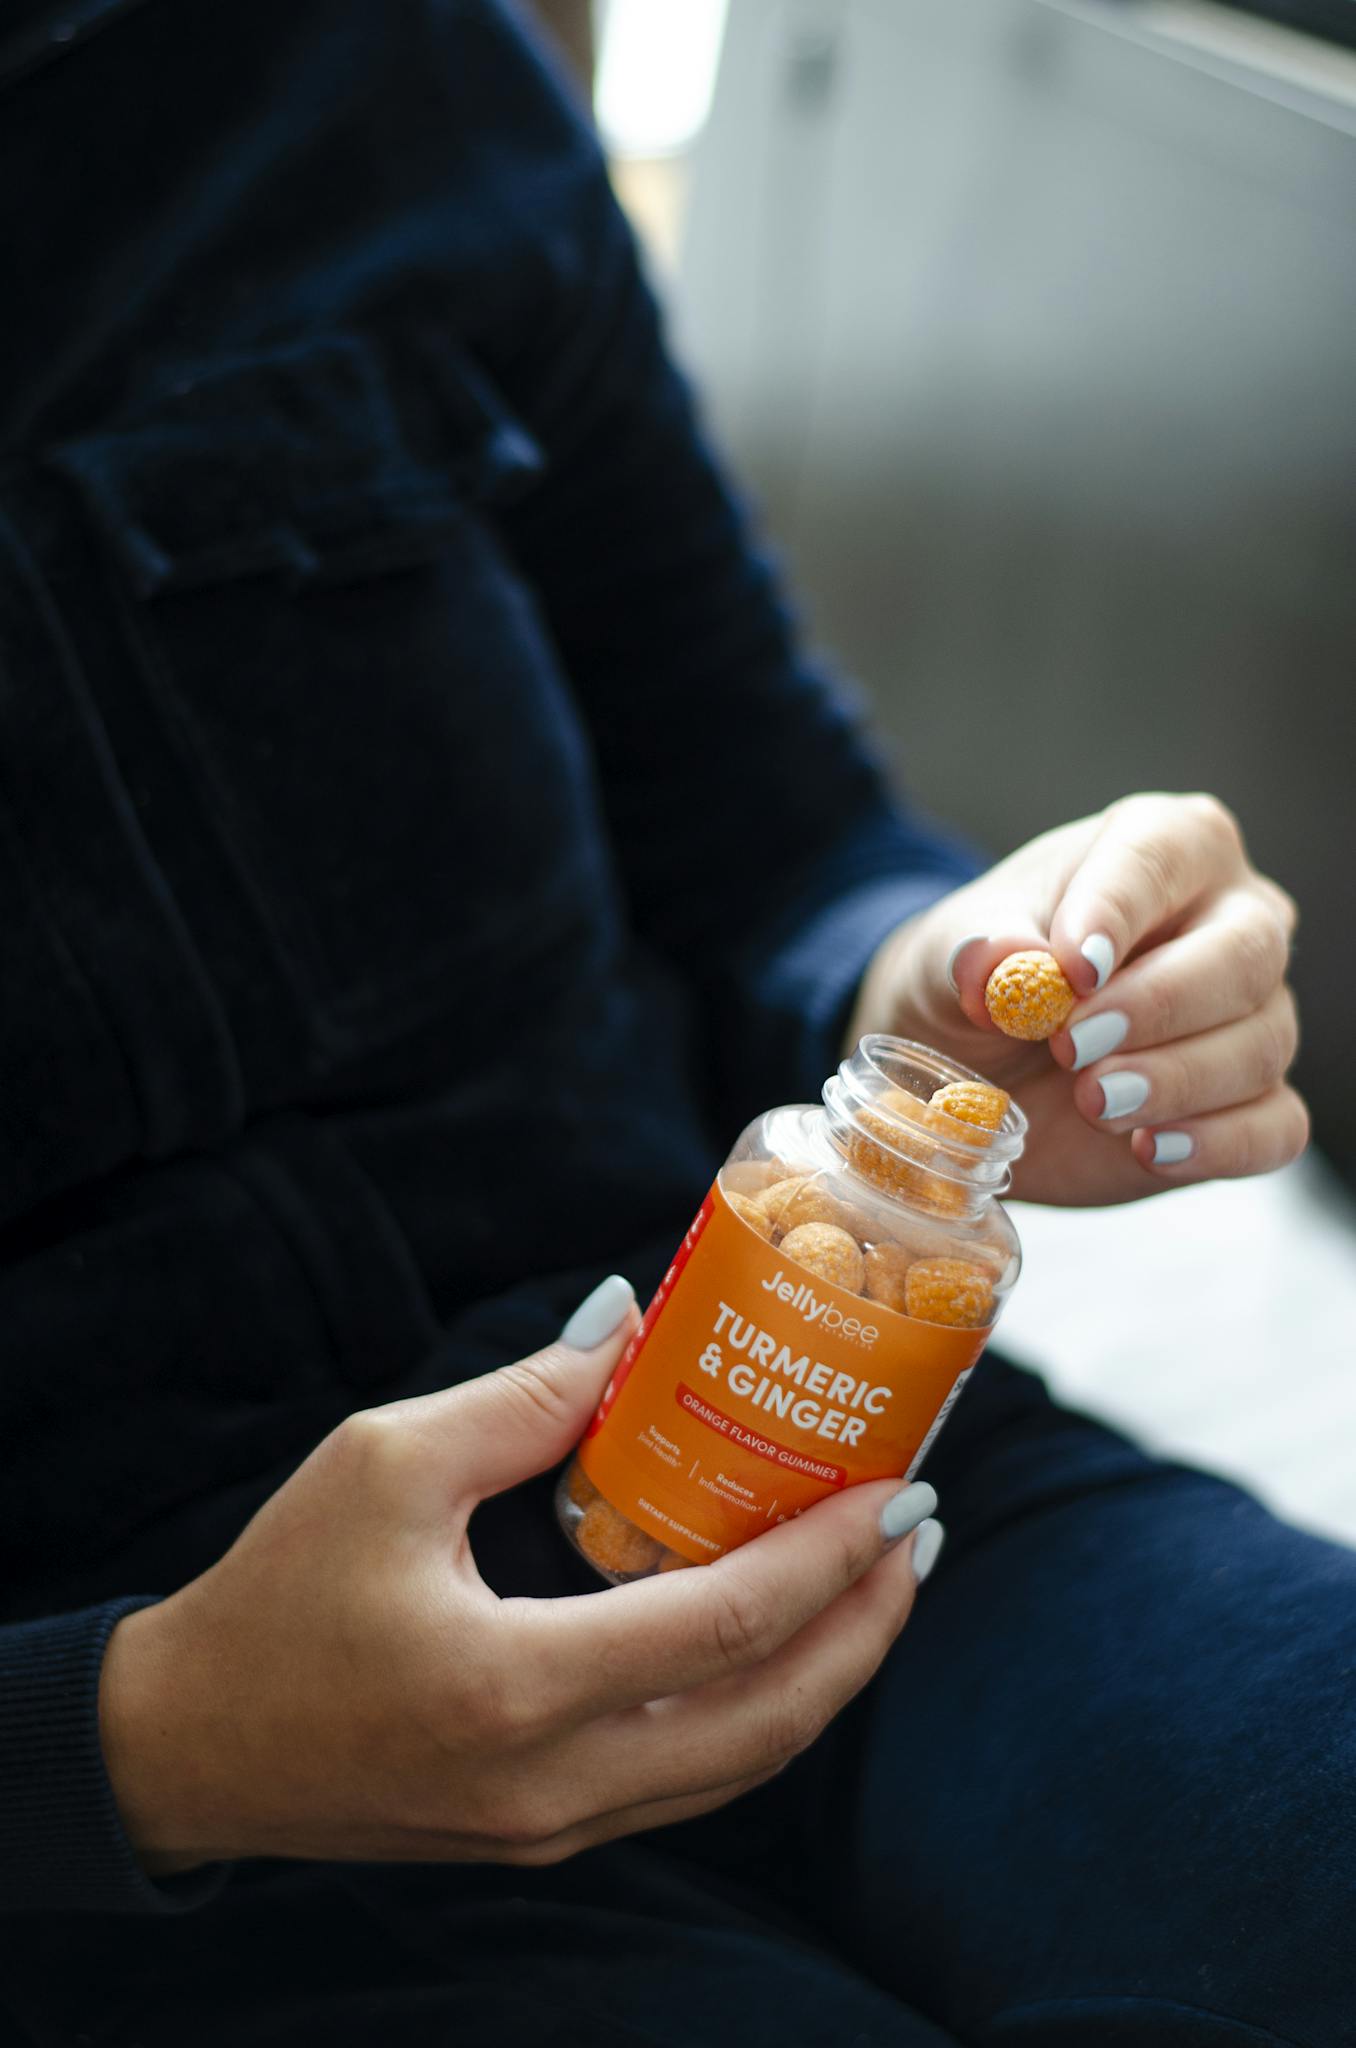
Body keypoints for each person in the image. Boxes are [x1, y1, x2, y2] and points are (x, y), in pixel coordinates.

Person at [0, 2, 1348, 2042]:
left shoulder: (363, 64)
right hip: (157, 1793)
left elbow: (771, 827)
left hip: (835, 1479)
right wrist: (129, 1739)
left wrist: (928, 988)